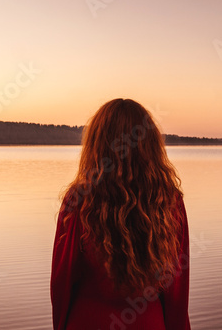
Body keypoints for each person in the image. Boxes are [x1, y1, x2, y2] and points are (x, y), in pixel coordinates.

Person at [50, 98, 191, 330]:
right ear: (150, 145)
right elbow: (176, 289)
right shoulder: (168, 201)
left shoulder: (79, 199)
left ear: (97, 144)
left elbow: (62, 282)